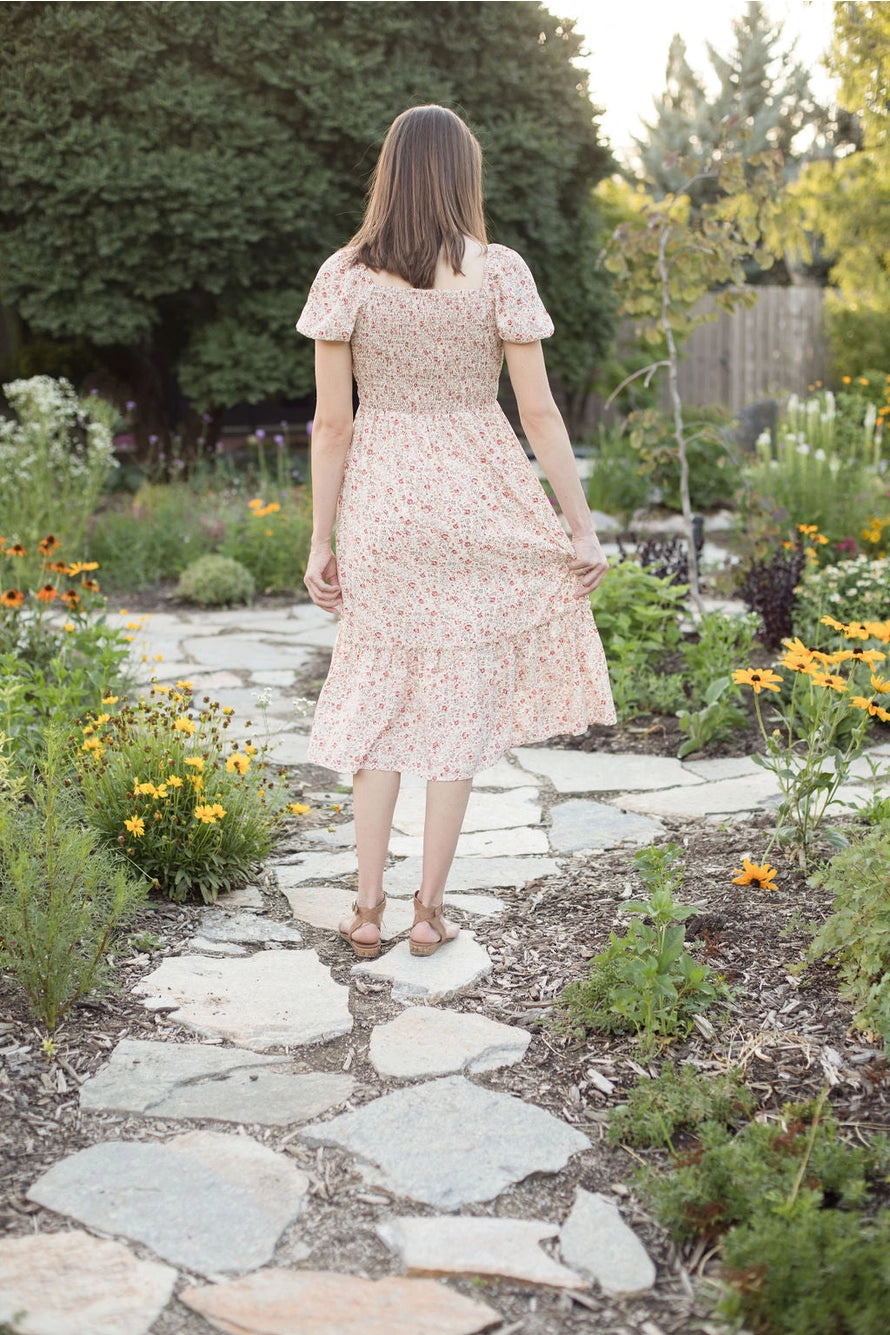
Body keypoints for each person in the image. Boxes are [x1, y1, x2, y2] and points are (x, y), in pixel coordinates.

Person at [296, 104, 615, 961]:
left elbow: (333, 425)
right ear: (462, 175)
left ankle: (367, 907)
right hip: (480, 500)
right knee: (455, 705)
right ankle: (428, 912)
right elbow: (539, 413)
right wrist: (579, 529)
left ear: (390, 174)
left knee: (378, 693)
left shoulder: (344, 277)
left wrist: (322, 539)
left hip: (385, 507)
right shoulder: (501, 271)